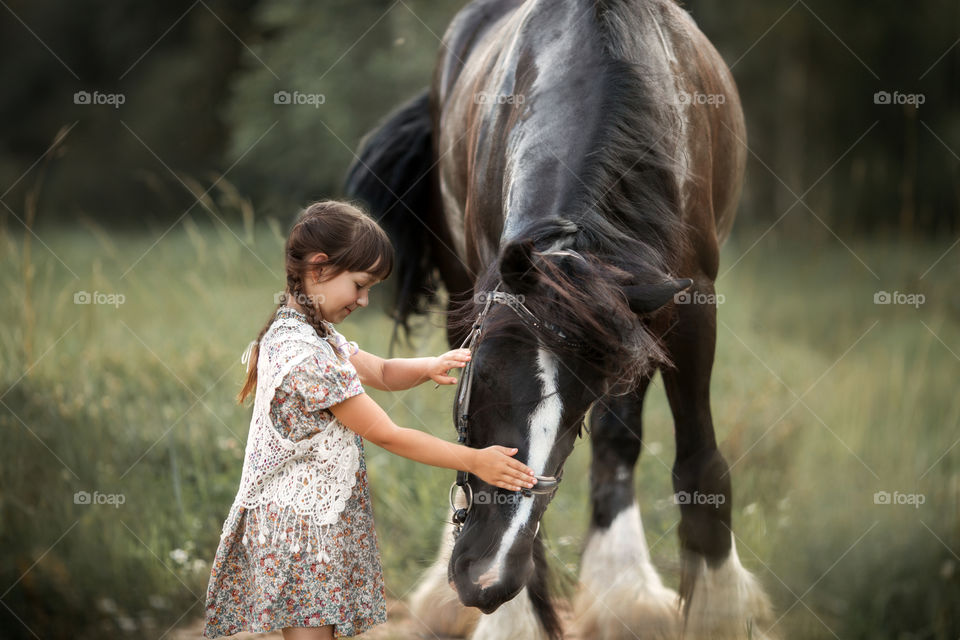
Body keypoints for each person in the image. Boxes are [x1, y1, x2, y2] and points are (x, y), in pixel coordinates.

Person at [203, 200, 536, 640]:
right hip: (300, 530)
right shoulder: (305, 356)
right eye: (360, 285)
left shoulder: (315, 333)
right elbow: (389, 434)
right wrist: (475, 461)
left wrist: (428, 364)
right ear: (319, 269)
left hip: (313, 522)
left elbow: (379, 371)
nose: (364, 300)